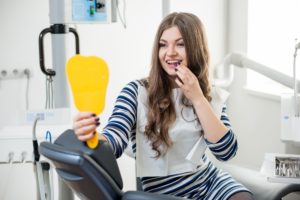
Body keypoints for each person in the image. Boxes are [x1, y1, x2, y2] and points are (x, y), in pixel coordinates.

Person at [72, 12, 254, 200]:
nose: (170, 52)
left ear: (196, 49)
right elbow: (115, 140)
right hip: (163, 195)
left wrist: (198, 99)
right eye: (163, 45)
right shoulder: (136, 92)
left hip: (210, 184)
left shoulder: (209, 94)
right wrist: (92, 136)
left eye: (180, 44)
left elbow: (226, 151)